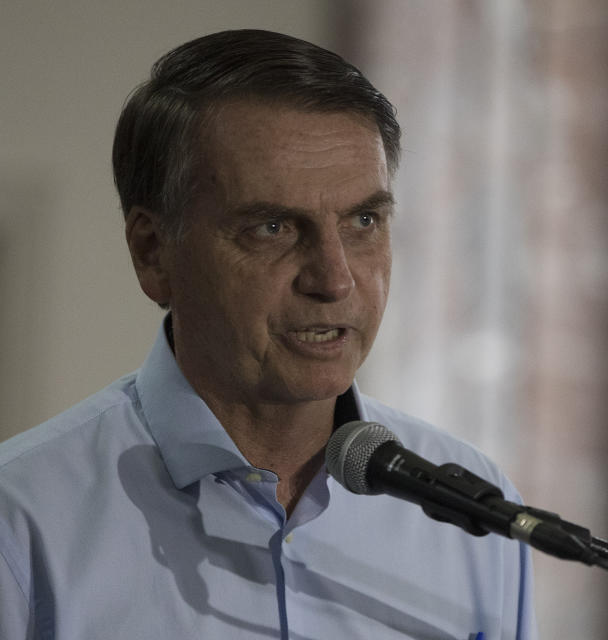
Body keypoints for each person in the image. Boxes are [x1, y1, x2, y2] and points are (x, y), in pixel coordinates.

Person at [0, 29, 536, 640]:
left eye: (364, 221)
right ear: (153, 252)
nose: (334, 280)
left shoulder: (474, 513)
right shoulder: (21, 520)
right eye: (273, 227)